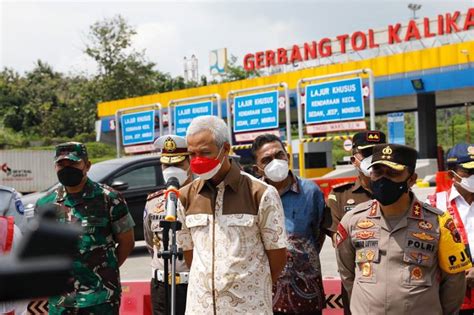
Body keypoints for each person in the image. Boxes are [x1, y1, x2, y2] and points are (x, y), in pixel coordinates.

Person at [336, 143, 470, 314]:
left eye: (393, 173)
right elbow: (347, 275)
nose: (384, 179)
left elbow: (454, 282)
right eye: (378, 172)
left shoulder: (439, 222)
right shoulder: (352, 220)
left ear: (412, 179)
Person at [176, 116, 288, 314]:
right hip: (200, 308)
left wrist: (249, 285)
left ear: (225, 149)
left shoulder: (260, 193)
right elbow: (190, 252)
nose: (197, 160)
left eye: (205, 153)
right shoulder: (186, 196)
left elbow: (277, 255)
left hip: (248, 308)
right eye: (192, 154)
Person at [35, 142, 135, 314]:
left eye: (73, 163)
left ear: (87, 165)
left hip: (100, 298)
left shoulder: (109, 198)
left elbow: (127, 242)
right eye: (61, 164)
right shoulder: (45, 204)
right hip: (61, 300)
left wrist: (104, 270)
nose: (67, 168)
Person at [251, 133, 329, 315]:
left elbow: (318, 235)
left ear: (287, 157)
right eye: (267, 160)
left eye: (279, 155)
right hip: (265, 296)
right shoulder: (252, 195)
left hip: (306, 292)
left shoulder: (310, 191)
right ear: (257, 169)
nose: (275, 162)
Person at [327, 130, 386, 314]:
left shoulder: (398, 191)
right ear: (354, 160)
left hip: (392, 286)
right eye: (367, 154)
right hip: (357, 285)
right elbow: (341, 246)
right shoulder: (340, 196)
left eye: (378, 153)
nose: (373, 158)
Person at [144, 135, 192, 315]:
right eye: (166, 165)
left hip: (193, 285)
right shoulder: (153, 202)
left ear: (190, 163)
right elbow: (151, 243)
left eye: (178, 164)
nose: (172, 170)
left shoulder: (204, 199)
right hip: (161, 286)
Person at [428, 143, 474, 313]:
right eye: (469, 172)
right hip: (453, 299)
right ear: (451, 174)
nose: (473, 176)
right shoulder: (434, 204)